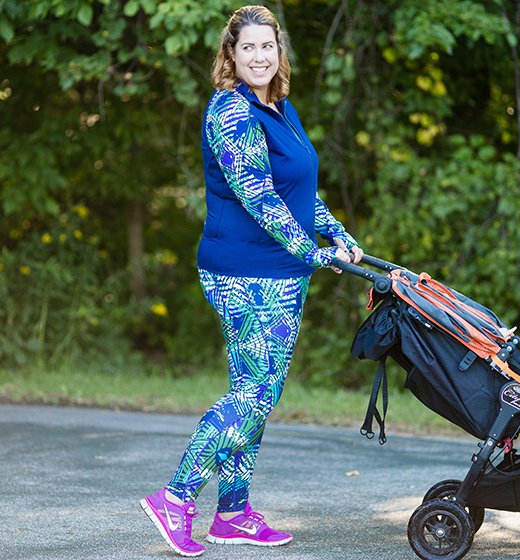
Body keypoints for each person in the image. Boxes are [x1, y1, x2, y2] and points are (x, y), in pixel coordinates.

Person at [140, 5, 363, 557]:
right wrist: (313, 252)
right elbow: (258, 195)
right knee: (255, 394)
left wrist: (338, 235)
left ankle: (232, 513)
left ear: (279, 52)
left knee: (256, 393)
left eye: (268, 46)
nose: (259, 56)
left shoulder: (279, 107)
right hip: (243, 272)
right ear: (231, 55)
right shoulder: (232, 113)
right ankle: (175, 497)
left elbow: (299, 194)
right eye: (248, 48)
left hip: (282, 270)